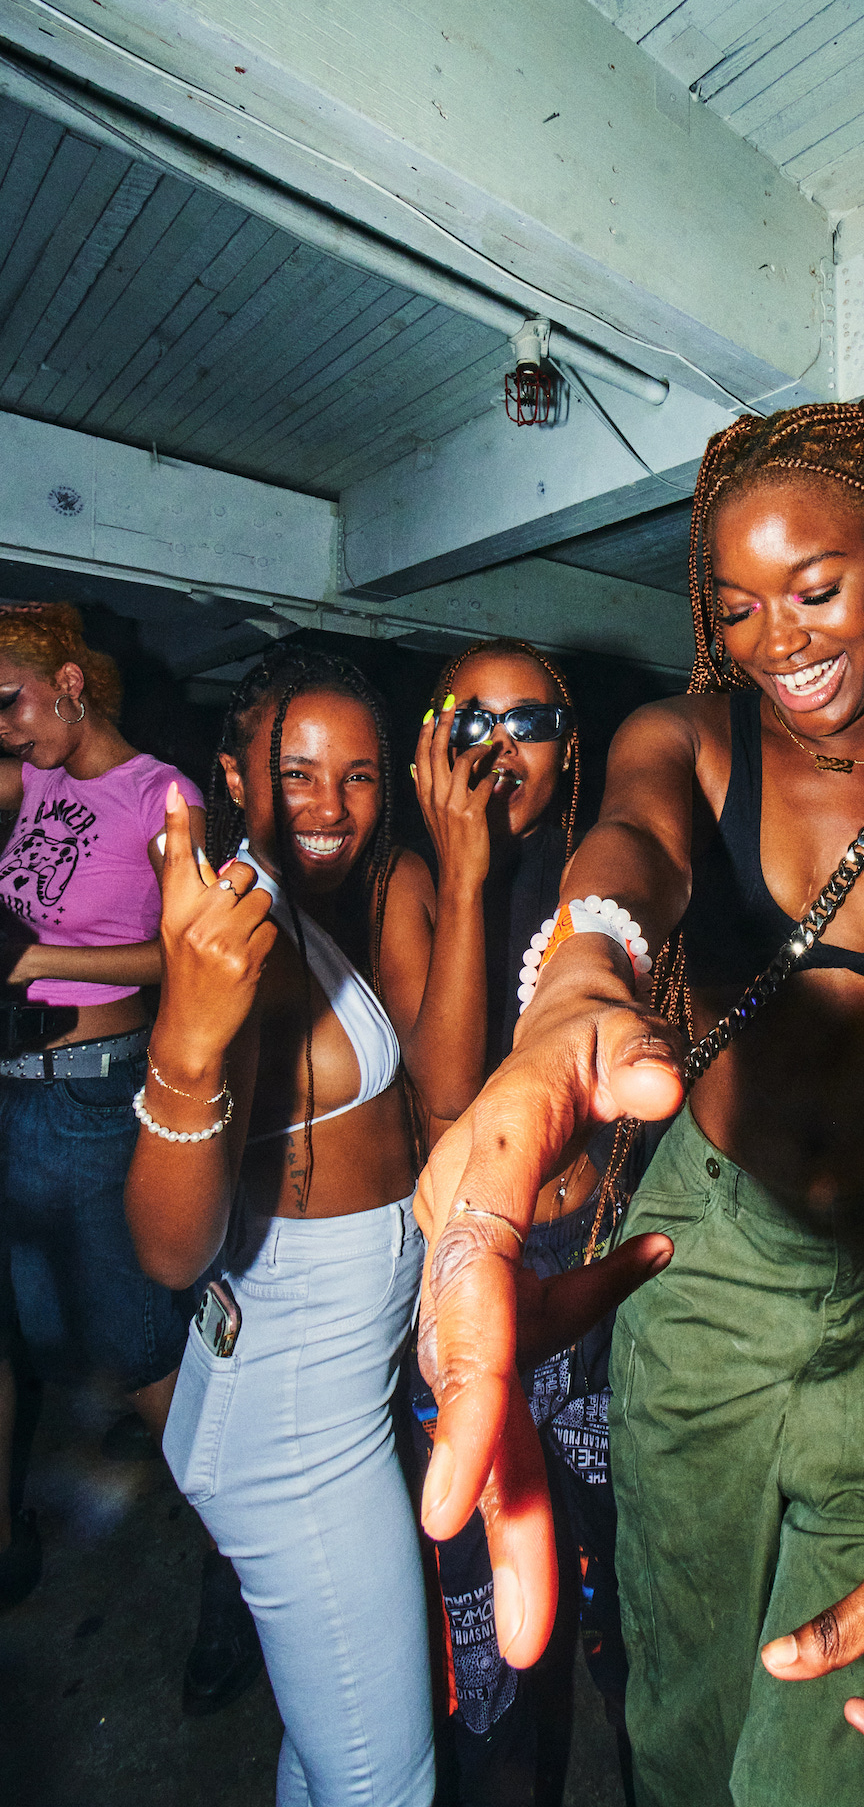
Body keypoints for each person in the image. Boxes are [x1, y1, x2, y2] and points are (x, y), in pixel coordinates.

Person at [412, 392, 864, 1807]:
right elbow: (626, 852)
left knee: (832, 1757)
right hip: (706, 1253)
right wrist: (571, 993)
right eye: (734, 607)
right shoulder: (691, 734)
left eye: (815, 586)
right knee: (677, 1694)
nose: (775, 641)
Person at [125, 644, 444, 1807]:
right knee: (386, 1782)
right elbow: (168, 1248)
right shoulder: (235, 937)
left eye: (359, 776)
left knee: (327, 1750)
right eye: (298, 771)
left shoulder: (297, 907)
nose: (330, 806)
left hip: (308, 1390)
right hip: (297, 1434)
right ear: (234, 776)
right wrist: (187, 1041)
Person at [411, 638, 644, 1805]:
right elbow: (450, 1105)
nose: (498, 747)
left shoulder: (604, 879)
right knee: (489, 1616)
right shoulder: (412, 882)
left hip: (603, 1269)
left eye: (530, 721)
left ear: (573, 741)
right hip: (474, 1279)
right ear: (430, 741)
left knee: (621, 1594)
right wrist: (459, 874)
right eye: (470, 719)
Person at [0, 602, 204, 1615]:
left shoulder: (160, 794)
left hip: (91, 1092)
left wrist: (39, 958)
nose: (6, 723)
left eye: (12, 699)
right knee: (57, 1330)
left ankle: (234, 1544)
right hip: (18, 1085)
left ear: (72, 683)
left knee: (133, 1346)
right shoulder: (35, 776)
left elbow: (186, 951)